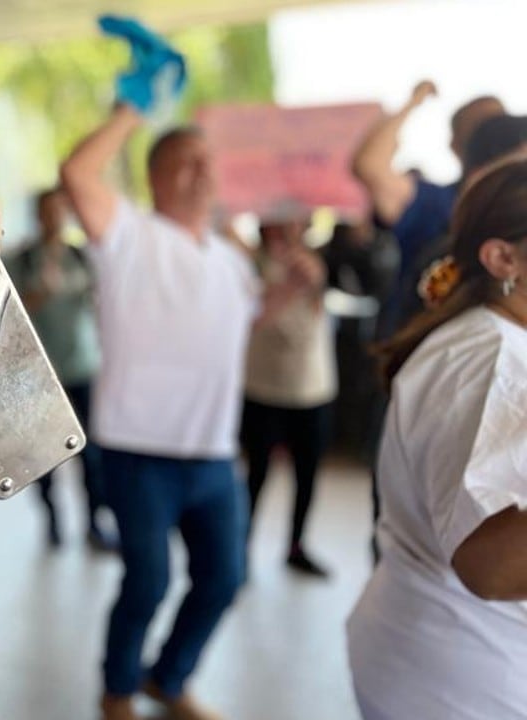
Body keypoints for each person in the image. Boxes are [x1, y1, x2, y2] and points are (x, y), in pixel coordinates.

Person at [59, 18, 321, 720]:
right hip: (138, 448)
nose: (203, 169)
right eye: (185, 159)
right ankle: (118, 688)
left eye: (209, 160)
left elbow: (244, 320)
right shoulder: (130, 236)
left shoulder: (231, 258)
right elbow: (78, 174)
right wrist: (134, 108)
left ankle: (167, 681)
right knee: (146, 582)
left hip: (211, 452)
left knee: (223, 579)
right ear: (155, 175)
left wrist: (287, 292)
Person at [347, 154, 527, 720]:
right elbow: (491, 565)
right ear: (503, 258)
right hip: (470, 681)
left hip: (429, 655)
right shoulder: (493, 359)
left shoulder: (486, 341)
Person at [351, 81, 504, 340]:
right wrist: (414, 101)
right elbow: (370, 166)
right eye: (484, 130)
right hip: (416, 356)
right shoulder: (437, 203)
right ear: (455, 144)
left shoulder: (515, 213)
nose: (497, 137)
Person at [7, 188, 113, 551]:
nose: (55, 218)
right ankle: (53, 522)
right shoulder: (20, 261)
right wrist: (40, 295)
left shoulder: (81, 258)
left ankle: (95, 523)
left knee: (92, 456)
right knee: (43, 456)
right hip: (38, 373)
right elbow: (9, 318)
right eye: (47, 211)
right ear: (38, 215)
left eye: (60, 211)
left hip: (82, 368)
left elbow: (101, 306)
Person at [240, 212, 336, 578]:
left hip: (312, 386)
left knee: (307, 474)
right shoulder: (250, 261)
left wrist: (312, 278)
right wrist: (291, 285)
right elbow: (253, 316)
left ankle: (296, 545)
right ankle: (242, 547)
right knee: (256, 474)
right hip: (264, 385)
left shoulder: (317, 261)